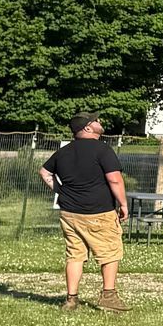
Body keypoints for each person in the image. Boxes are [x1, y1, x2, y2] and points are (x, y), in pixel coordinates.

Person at [39, 112, 129, 312]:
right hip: (99, 212)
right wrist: (123, 204)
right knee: (109, 253)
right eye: (96, 121)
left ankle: (71, 300)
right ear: (88, 128)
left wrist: (60, 190)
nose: (100, 122)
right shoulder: (102, 150)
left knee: (75, 255)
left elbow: (44, 172)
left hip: (69, 213)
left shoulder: (64, 151)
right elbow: (114, 179)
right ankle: (109, 296)